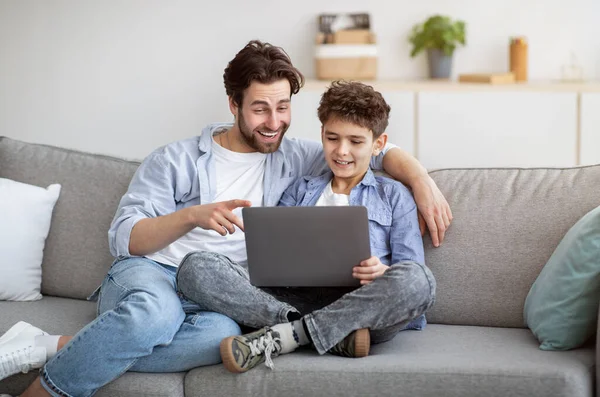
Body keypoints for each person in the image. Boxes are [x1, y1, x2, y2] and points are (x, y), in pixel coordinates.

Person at [0, 40, 451, 397]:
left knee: (214, 343)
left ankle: (291, 332)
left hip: (235, 302)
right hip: (158, 271)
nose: (274, 122)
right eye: (260, 109)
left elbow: (368, 147)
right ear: (233, 104)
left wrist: (421, 179)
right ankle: (47, 380)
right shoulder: (175, 160)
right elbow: (125, 238)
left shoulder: (297, 157)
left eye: (282, 107)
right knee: (161, 307)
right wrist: (191, 216)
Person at [176, 80, 434, 373]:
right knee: (194, 267)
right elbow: (272, 255)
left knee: (420, 281)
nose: (342, 151)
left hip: (363, 309)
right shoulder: (301, 189)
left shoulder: (395, 196)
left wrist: (383, 273)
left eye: (356, 142)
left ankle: (289, 335)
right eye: (332, 138)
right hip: (295, 300)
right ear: (321, 134)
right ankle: (320, 333)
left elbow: (411, 269)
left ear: (379, 144)